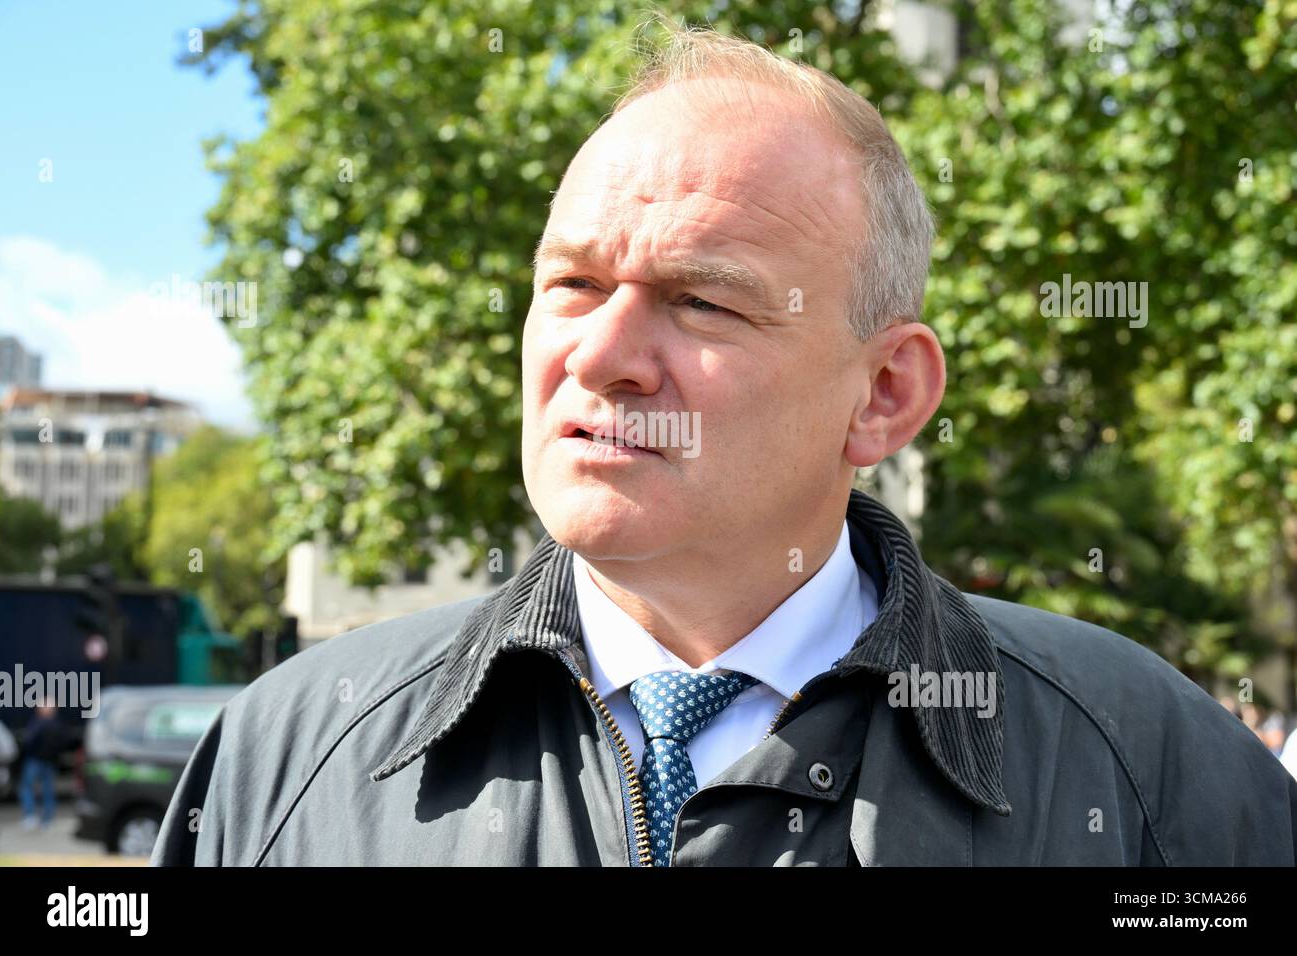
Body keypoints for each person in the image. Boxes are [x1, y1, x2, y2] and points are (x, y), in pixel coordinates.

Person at [152, 20, 1297, 866]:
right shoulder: (285, 756)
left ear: (885, 391)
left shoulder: (1146, 768)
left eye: (702, 300)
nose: (602, 354)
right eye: (573, 282)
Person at [18, 703, 64, 830]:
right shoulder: (57, 725)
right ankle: (47, 819)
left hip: (35, 760)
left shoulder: (37, 724)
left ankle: (30, 816)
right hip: (50, 761)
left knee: (27, 787)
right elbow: (64, 742)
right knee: (48, 789)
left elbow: (28, 740)